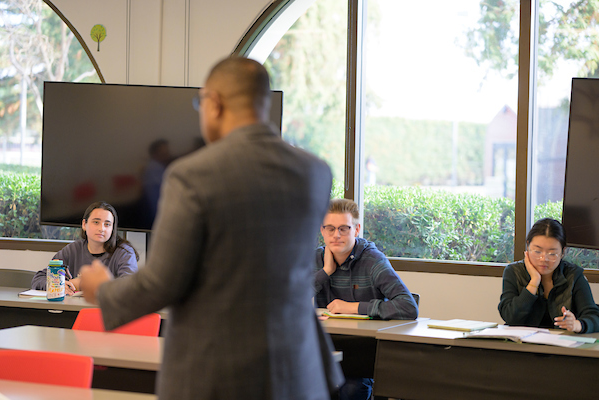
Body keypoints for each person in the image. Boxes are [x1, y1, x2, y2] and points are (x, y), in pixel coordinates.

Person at [79, 56, 343, 399]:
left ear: (214, 103)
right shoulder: (315, 173)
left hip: (217, 374)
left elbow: (162, 283)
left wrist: (102, 290)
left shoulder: (193, 175)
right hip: (298, 372)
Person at [314, 198, 418, 400]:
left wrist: (353, 307)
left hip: (362, 356)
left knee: (351, 390)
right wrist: (326, 271)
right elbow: (290, 300)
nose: (336, 235)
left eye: (344, 228)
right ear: (322, 230)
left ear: (356, 229)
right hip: (324, 351)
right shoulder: (315, 259)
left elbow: (408, 307)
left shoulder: (372, 260)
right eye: (330, 228)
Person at [499, 218, 599, 333]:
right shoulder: (514, 271)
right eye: (537, 251)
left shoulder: (573, 275)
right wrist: (534, 281)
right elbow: (510, 317)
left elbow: (594, 317)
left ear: (562, 252)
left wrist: (577, 325)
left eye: (552, 254)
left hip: (562, 346)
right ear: (528, 247)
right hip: (522, 346)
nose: (543, 259)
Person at [31, 201, 138, 294]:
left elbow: (130, 286)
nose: (102, 229)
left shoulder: (124, 253)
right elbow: (40, 278)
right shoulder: (72, 250)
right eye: (96, 222)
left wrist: (81, 284)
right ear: (84, 224)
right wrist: (58, 286)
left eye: (107, 224)